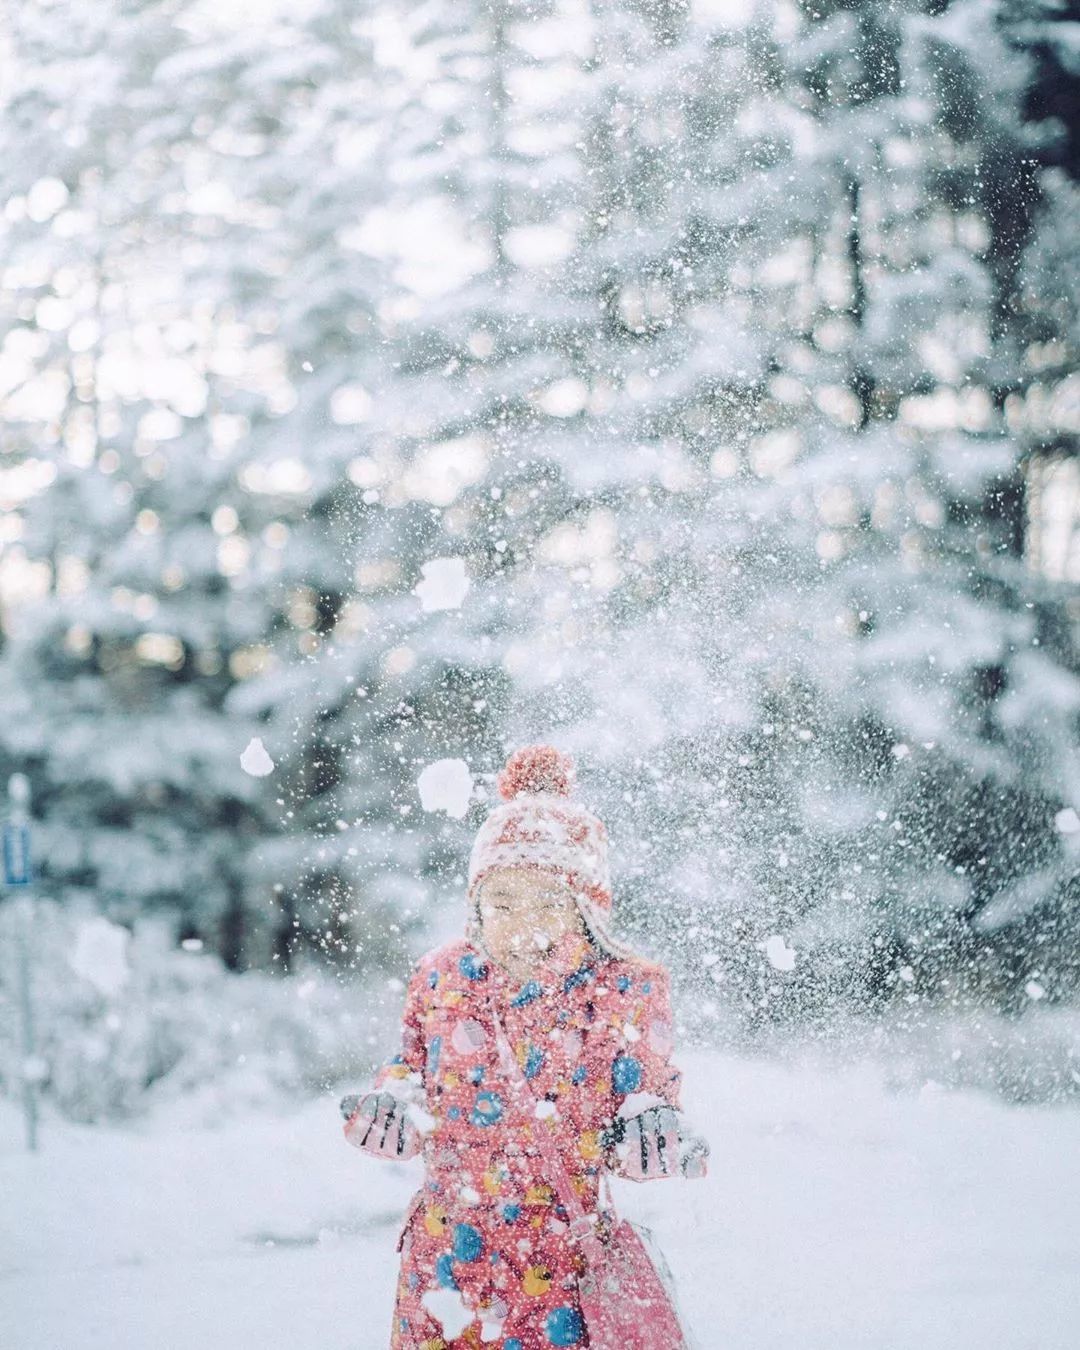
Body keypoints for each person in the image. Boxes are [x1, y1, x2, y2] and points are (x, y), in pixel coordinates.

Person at [342, 743, 708, 1349]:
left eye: (548, 903)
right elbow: (408, 1075)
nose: (521, 925)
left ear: (586, 906)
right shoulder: (442, 976)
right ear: (476, 902)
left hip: (562, 1267)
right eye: (502, 902)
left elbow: (642, 1098)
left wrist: (652, 1132)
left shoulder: (622, 990)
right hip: (446, 1265)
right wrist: (390, 1114)